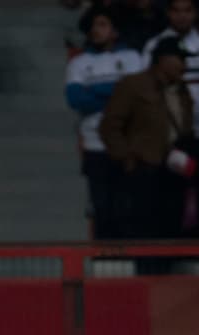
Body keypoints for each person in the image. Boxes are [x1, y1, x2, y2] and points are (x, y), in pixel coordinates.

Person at [142, 0, 199, 235]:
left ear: (195, 13)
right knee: (172, 193)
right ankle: (174, 249)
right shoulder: (154, 46)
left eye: (187, 10)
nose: (182, 16)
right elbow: (146, 90)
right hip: (174, 135)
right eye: (176, 10)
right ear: (168, 13)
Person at [99, 37, 193, 240]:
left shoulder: (183, 89)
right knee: (143, 228)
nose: (185, 65)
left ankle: (167, 268)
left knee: (171, 226)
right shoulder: (133, 85)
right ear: (163, 60)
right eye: (180, 59)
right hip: (142, 168)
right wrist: (126, 158)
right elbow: (109, 126)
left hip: (173, 169)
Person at [65, 7, 143, 240]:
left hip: (127, 143)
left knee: (127, 204)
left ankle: (128, 260)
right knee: (101, 205)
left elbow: (135, 95)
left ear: (115, 30)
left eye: (102, 25)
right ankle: (104, 260)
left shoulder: (132, 58)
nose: (96, 31)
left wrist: (95, 90)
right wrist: (117, 92)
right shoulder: (79, 63)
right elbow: (75, 98)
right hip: (94, 144)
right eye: (93, 26)